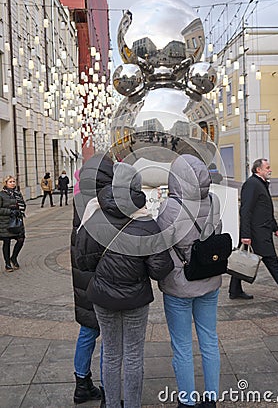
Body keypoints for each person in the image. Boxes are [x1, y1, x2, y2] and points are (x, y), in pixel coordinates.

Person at [76, 162, 174, 408]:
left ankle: (111, 405)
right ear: (137, 189)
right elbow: (159, 269)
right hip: (135, 299)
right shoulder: (147, 223)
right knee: (133, 355)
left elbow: (83, 261)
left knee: (110, 353)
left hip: (102, 297)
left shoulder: (95, 216)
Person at [157, 154, 222, 408]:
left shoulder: (170, 208)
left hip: (179, 283)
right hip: (210, 278)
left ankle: (186, 400)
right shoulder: (213, 200)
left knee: (182, 345)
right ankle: (212, 398)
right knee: (209, 339)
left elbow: (161, 241)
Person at [71, 155, 114, 405]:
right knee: (108, 333)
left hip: (82, 274)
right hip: (103, 275)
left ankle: (82, 383)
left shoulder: (80, 197)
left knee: (88, 329)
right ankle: (108, 388)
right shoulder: (106, 199)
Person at [229, 158, 278, 304]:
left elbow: (264, 208)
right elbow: (245, 210)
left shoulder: (260, 184)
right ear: (258, 170)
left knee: (243, 259)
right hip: (256, 234)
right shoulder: (251, 184)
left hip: (261, 231)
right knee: (273, 263)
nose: (270, 170)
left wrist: (275, 226)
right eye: (267, 167)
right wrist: (245, 235)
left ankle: (234, 290)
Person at [0, 175, 26, 272]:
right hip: (5, 222)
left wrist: (19, 211)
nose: (12, 183)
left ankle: (13, 258)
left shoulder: (17, 193)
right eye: (10, 182)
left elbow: (23, 204)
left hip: (17, 221)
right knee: (6, 242)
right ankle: (7, 264)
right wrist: (10, 211)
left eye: (14, 181)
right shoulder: (1, 195)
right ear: (6, 183)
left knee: (21, 239)